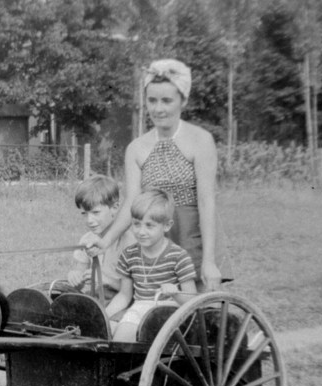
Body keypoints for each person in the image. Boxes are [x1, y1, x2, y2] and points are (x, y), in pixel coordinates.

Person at [83, 58, 231, 292]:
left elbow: (206, 201)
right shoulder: (136, 148)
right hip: (154, 237)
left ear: (183, 100)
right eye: (152, 100)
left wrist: (209, 261)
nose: (158, 108)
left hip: (193, 237)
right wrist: (105, 241)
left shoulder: (200, 140)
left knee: (198, 315)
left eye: (167, 100)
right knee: (154, 311)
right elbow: (131, 203)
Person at [106, 189, 197, 342]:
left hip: (168, 312)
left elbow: (192, 300)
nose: (141, 232)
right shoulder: (129, 255)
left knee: (147, 333)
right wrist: (105, 314)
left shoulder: (178, 256)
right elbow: (124, 295)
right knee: (120, 341)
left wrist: (175, 293)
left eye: (149, 226)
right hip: (140, 308)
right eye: (136, 224)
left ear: (167, 226)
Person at [65, 175, 136, 301]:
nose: (89, 220)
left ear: (114, 208)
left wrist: (105, 280)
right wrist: (75, 277)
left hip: (121, 302)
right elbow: (80, 279)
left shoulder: (129, 242)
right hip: (96, 299)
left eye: (95, 212)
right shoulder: (87, 240)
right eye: (84, 214)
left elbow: (136, 291)